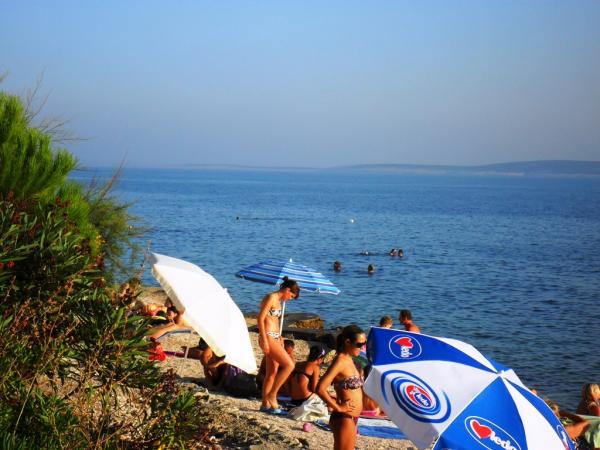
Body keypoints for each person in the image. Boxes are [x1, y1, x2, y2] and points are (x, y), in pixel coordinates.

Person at [317, 324, 365, 450]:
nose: (362, 347)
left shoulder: (351, 360)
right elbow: (320, 388)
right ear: (348, 342)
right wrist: (338, 407)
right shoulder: (340, 361)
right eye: (359, 344)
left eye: (364, 344)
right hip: (344, 417)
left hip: (351, 417)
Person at [257, 277, 300, 413]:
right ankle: (272, 395)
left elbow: (274, 320)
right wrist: (264, 338)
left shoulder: (279, 302)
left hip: (275, 337)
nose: (290, 299)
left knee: (272, 373)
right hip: (268, 336)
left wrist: (280, 337)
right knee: (289, 365)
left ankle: (265, 404)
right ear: (287, 290)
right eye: (291, 296)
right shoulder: (270, 297)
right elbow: (260, 318)